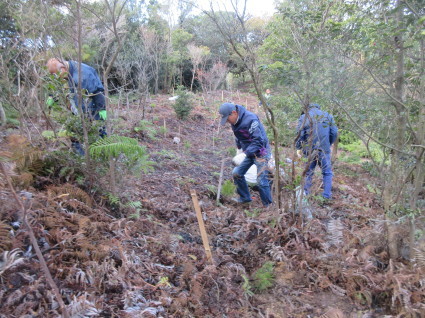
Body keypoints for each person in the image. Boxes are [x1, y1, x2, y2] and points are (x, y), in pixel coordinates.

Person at [219, 102, 273, 206]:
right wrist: (239, 148)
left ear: (234, 113)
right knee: (237, 173)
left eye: (227, 119)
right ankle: (245, 198)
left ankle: (268, 206)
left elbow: (258, 141)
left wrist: (244, 154)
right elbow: (238, 136)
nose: (227, 122)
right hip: (249, 152)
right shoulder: (234, 122)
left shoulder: (251, 119)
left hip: (261, 152)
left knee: (261, 180)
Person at [296, 103, 338, 200]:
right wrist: (328, 143)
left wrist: (299, 147)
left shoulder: (304, 117)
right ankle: (326, 196)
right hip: (324, 149)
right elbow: (334, 132)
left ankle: (306, 195)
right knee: (327, 173)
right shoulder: (327, 116)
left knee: (308, 173)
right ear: (319, 108)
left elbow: (299, 133)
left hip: (309, 149)